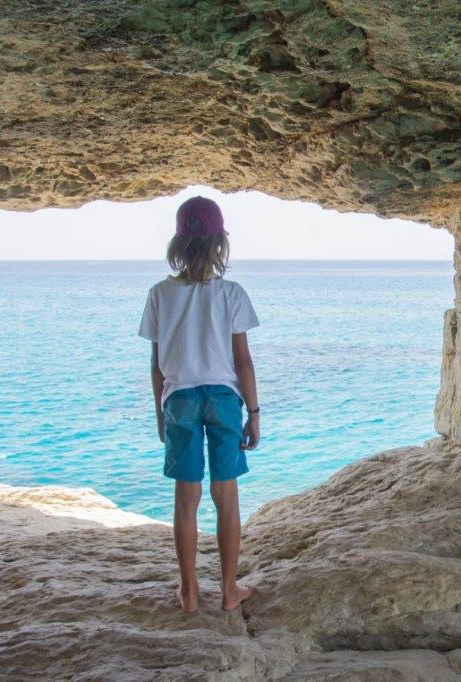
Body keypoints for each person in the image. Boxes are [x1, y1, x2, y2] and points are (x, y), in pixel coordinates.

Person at [138, 195, 261, 613]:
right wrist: (255, 413)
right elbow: (242, 360)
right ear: (219, 244)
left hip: (180, 398)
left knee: (185, 498)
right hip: (225, 398)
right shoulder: (232, 294)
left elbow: (157, 364)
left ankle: (189, 593)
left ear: (178, 244)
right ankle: (229, 590)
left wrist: (160, 411)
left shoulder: (159, 294)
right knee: (225, 494)